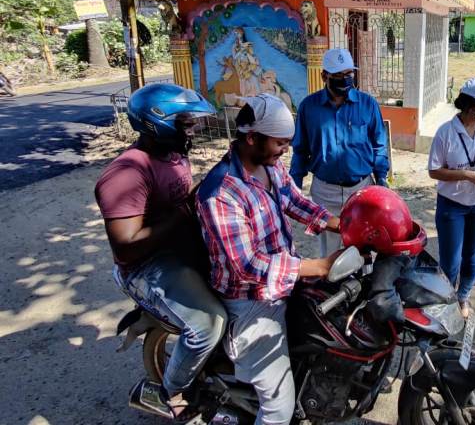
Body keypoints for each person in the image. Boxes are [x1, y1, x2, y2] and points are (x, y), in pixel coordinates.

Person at [196, 93, 341, 425]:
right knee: (278, 408)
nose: (285, 150)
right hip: (251, 300)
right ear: (251, 137)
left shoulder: (268, 167)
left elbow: (293, 199)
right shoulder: (221, 192)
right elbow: (246, 265)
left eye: (288, 143)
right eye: (279, 142)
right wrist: (317, 266)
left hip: (281, 282)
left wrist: (342, 224)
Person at [94, 83, 227, 421]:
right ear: (158, 122)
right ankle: (172, 391)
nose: (192, 128)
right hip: (146, 267)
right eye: (185, 122)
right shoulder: (126, 174)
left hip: (181, 250)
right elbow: (126, 245)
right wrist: (185, 211)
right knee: (209, 323)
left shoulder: (173, 153)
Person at [290, 48, 389, 257]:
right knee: (331, 251)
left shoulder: (367, 104)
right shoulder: (309, 107)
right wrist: (295, 184)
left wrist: (381, 177)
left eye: (348, 74)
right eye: (338, 75)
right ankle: (333, 288)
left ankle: (363, 287)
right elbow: (300, 149)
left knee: (365, 244)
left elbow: (379, 143)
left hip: (361, 189)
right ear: (324, 76)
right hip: (325, 191)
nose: (345, 79)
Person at [428, 77, 475, 318]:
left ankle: (463, 296)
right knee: (450, 261)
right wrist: (467, 175)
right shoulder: (446, 133)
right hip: (452, 206)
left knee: (472, 256)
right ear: (467, 104)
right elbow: (434, 171)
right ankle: (445, 300)